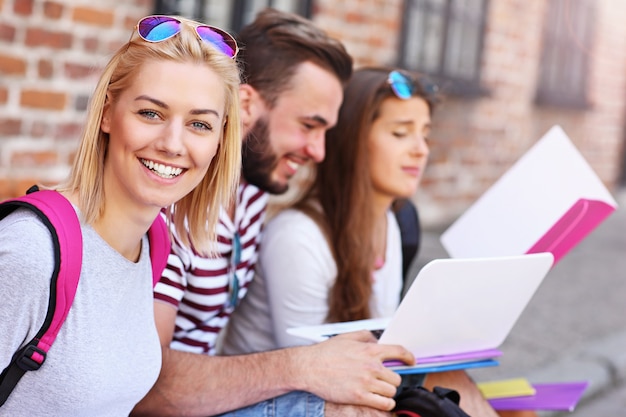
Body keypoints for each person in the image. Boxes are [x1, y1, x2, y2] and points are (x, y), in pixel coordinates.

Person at [133, 8, 417, 417]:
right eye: (308, 125)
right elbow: (146, 386)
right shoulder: (171, 202)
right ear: (246, 105)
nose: (318, 151)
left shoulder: (251, 191)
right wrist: (302, 366)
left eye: (325, 132)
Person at [221, 67, 506, 417]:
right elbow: (313, 377)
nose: (420, 150)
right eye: (401, 133)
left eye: (425, 135)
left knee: (453, 380)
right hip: (274, 400)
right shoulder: (299, 237)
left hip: (344, 387)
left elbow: (388, 350)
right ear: (354, 142)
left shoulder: (390, 222)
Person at [0, 13, 241, 415]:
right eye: (151, 113)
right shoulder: (32, 252)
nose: (172, 144)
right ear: (108, 113)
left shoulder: (154, 244)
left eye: (199, 124)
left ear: (219, 141)